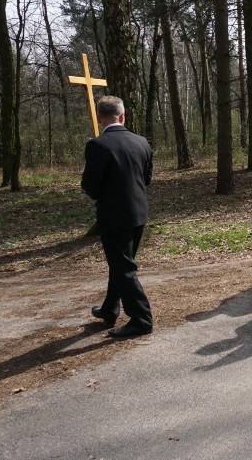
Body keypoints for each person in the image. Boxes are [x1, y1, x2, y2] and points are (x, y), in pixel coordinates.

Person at [82, 96, 154, 338]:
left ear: (100, 118)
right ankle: (109, 309)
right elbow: (146, 179)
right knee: (121, 264)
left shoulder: (97, 145)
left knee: (123, 268)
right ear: (122, 116)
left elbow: (90, 187)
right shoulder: (142, 142)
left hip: (114, 217)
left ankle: (142, 320)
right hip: (139, 213)